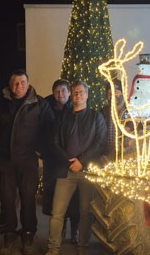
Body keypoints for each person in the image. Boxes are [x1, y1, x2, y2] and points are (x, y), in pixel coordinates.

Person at [0, 69, 54, 255]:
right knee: (7, 199)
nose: (18, 86)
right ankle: (9, 234)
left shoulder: (40, 104)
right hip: (5, 159)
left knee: (28, 199)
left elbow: (50, 129)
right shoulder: (1, 103)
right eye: (15, 83)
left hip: (28, 160)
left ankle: (28, 235)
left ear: (28, 84)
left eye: (22, 82)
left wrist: (40, 150)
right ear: (10, 85)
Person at [45, 80, 107, 255]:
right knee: (57, 212)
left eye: (81, 92)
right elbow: (55, 141)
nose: (78, 95)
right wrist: (68, 162)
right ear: (72, 96)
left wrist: (82, 162)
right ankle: (53, 249)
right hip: (66, 171)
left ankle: (82, 247)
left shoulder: (96, 117)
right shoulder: (63, 117)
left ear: (87, 95)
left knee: (86, 212)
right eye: (75, 93)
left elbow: (100, 143)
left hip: (87, 171)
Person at [42, 79, 80, 245]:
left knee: (75, 198)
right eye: (57, 92)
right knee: (56, 200)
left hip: (73, 161)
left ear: (69, 92)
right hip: (54, 161)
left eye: (63, 91)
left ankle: (75, 231)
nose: (61, 94)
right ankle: (60, 232)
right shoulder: (46, 107)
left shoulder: (76, 108)